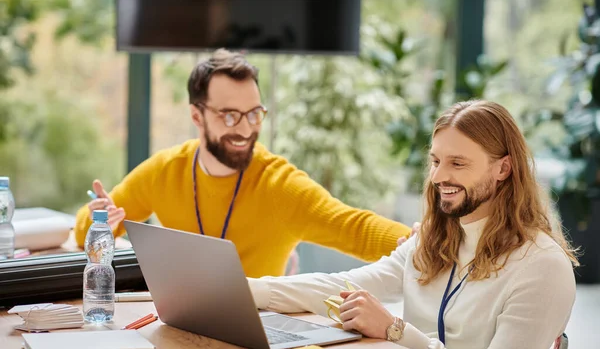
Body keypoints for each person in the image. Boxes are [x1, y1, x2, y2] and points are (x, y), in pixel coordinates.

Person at [247, 100, 578, 349]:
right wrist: (245, 290)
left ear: (503, 168)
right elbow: (343, 286)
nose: (437, 177)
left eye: (457, 163)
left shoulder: (542, 267)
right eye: (436, 161)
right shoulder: (436, 239)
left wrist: (394, 330)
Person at [74, 48, 413, 278]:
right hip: (180, 323)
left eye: (254, 114)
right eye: (230, 115)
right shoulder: (165, 170)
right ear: (197, 115)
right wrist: (99, 218)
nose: (246, 128)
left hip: (260, 331)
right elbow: (86, 232)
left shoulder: (280, 185)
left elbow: (356, 228)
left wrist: (428, 243)